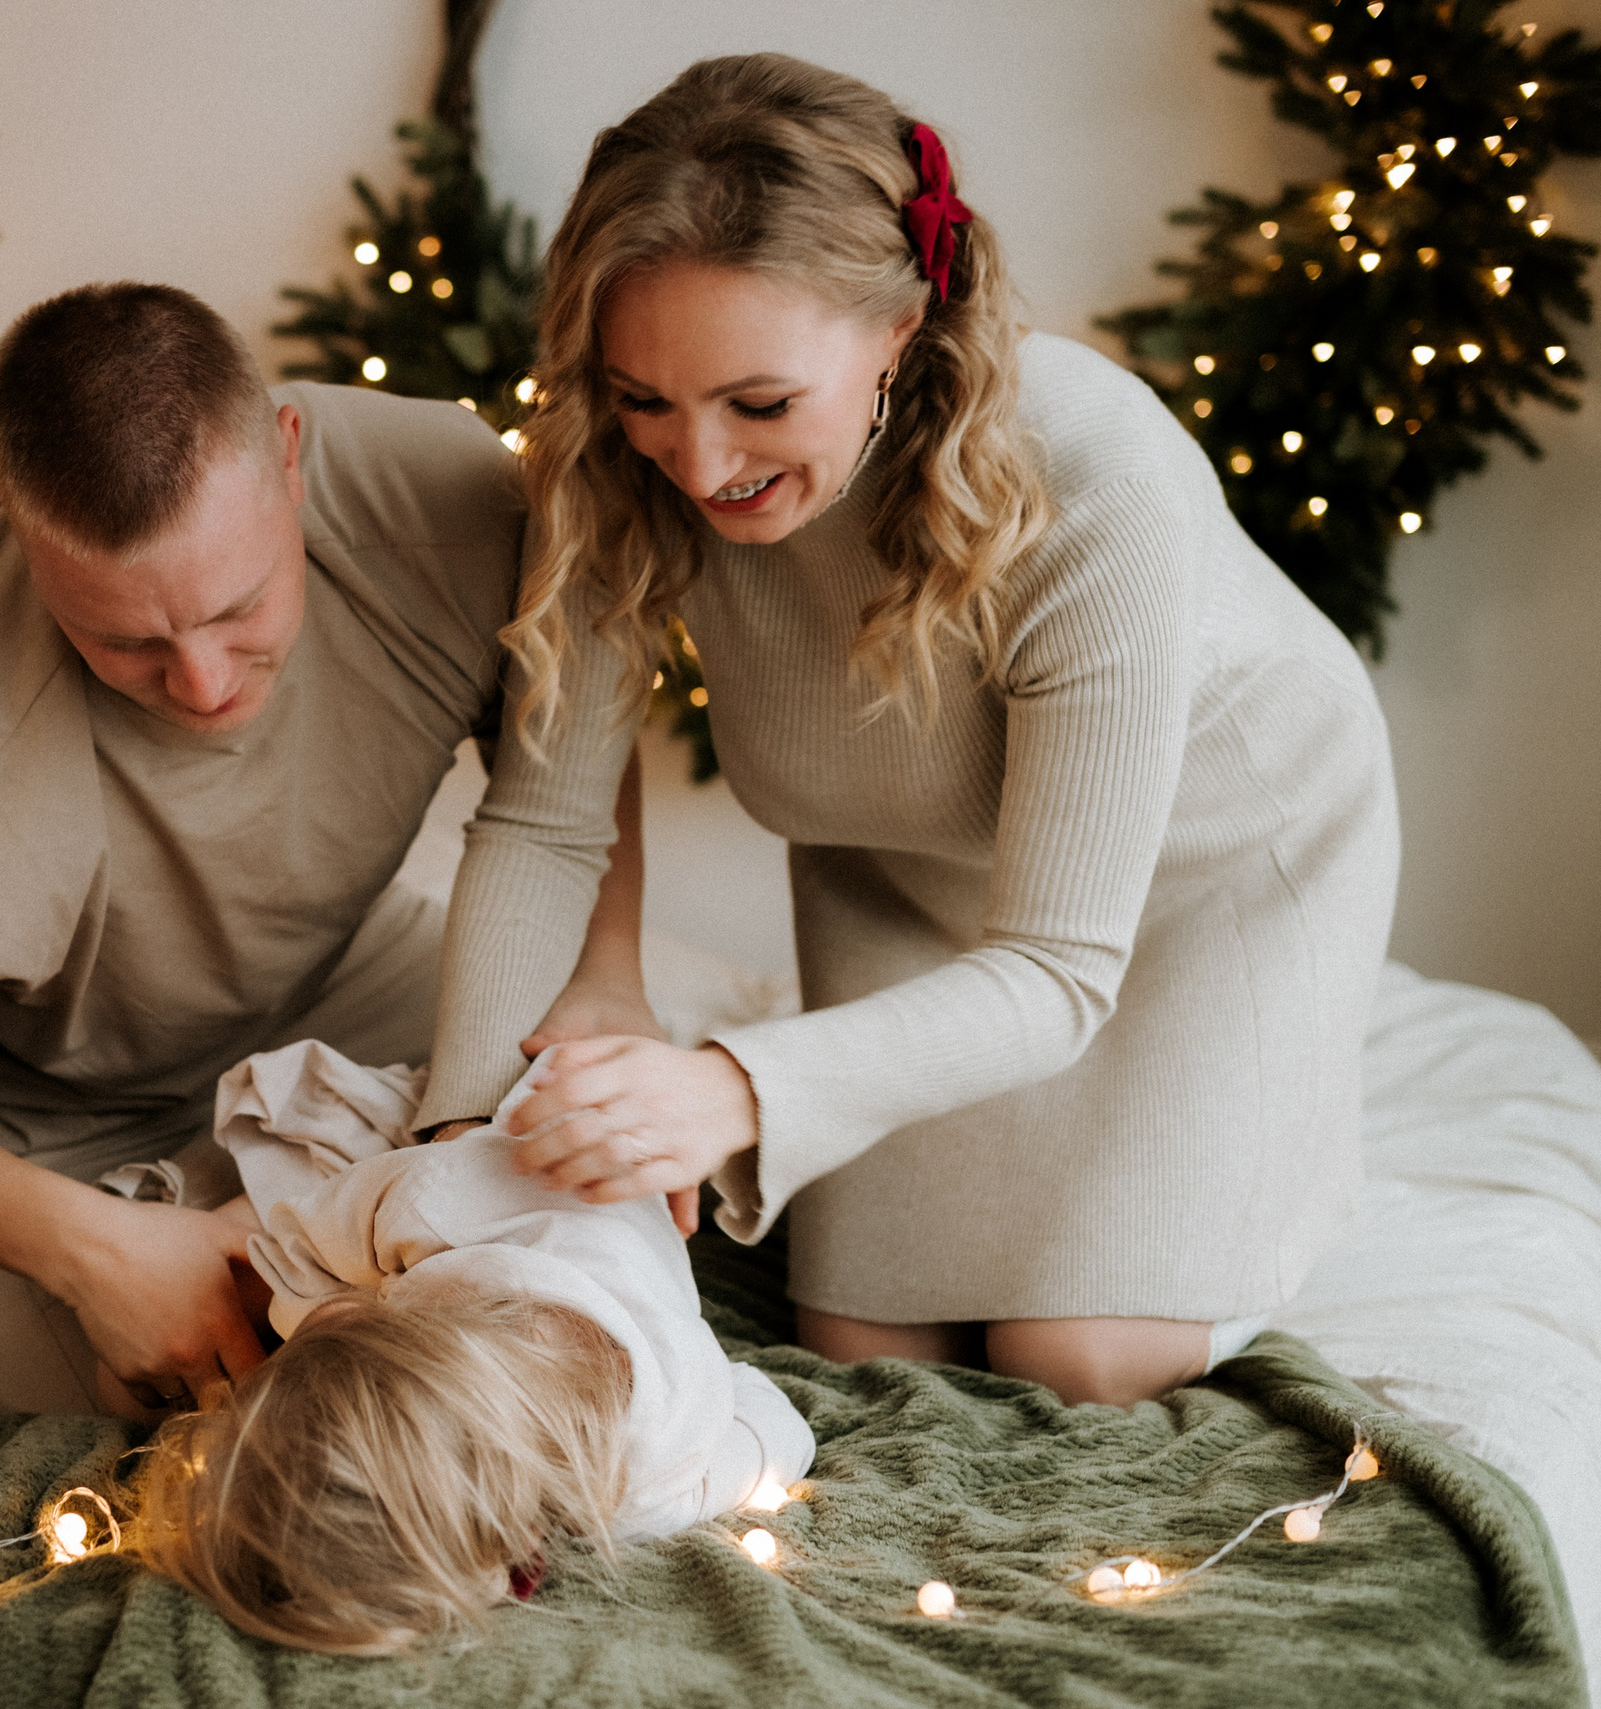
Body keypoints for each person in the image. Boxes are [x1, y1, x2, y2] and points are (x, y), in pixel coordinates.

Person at [415, 55, 1400, 1406]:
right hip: (901, 876)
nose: (700, 464)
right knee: (860, 1350)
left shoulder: (1089, 475)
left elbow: (1057, 965)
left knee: (1077, 1362)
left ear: (900, 328)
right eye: (645, 398)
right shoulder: (608, 465)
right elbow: (543, 818)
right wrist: (457, 1149)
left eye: (761, 404)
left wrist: (732, 1087)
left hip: (1204, 889)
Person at [0, 283, 624, 1418]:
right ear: (19, 529)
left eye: (240, 608)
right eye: (126, 639)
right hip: (44, 1127)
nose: (202, 685)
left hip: (346, 990)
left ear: (290, 456)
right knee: (261, 1421)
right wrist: (91, 1251)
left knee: (605, 1202)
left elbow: (569, 769)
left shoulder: (450, 502)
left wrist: (608, 980)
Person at [127, 1038, 814, 1654]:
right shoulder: (429, 1208)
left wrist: (717, 1389)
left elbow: (776, 1423)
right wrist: (308, 1313)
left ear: (525, 1559)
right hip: (565, 1088)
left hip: (547, 1113)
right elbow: (303, 1247)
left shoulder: (649, 1484)